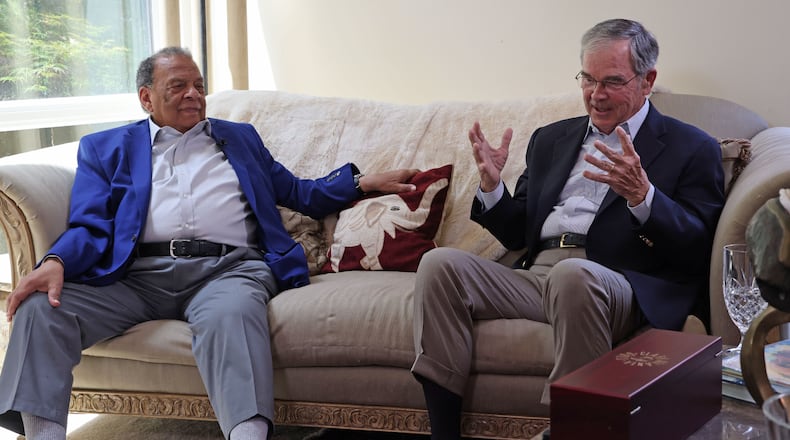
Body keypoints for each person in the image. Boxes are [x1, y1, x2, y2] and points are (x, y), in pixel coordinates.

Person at [0, 46, 418, 440]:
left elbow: (297, 192)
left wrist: (361, 182)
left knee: (233, 314)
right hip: (135, 279)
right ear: (146, 98)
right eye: (178, 86)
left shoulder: (238, 138)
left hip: (227, 270)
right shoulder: (107, 148)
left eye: (199, 86)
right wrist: (55, 260)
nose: (193, 95)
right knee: (43, 308)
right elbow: (89, 225)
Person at [410, 18, 725, 439]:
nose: (596, 95)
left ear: (647, 81)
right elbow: (518, 231)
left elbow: (699, 246)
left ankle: (576, 431)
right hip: (539, 275)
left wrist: (642, 196)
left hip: (617, 282)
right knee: (439, 264)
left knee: (572, 275)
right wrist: (491, 188)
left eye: (612, 81)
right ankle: (444, 432)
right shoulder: (550, 139)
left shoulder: (692, 146)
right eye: (588, 79)